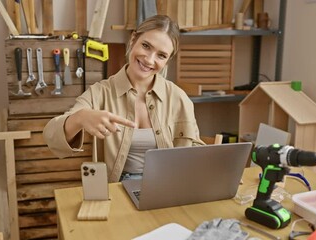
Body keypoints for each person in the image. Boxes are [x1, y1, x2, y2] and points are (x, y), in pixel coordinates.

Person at [43, 15, 205, 183]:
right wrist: (80, 118)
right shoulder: (100, 92)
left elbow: (195, 152)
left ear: (167, 60)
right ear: (133, 39)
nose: (149, 60)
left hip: (167, 188)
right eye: (146, 46)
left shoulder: (179, 98)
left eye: (161, 55)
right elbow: (51, 138)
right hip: (116, 191)